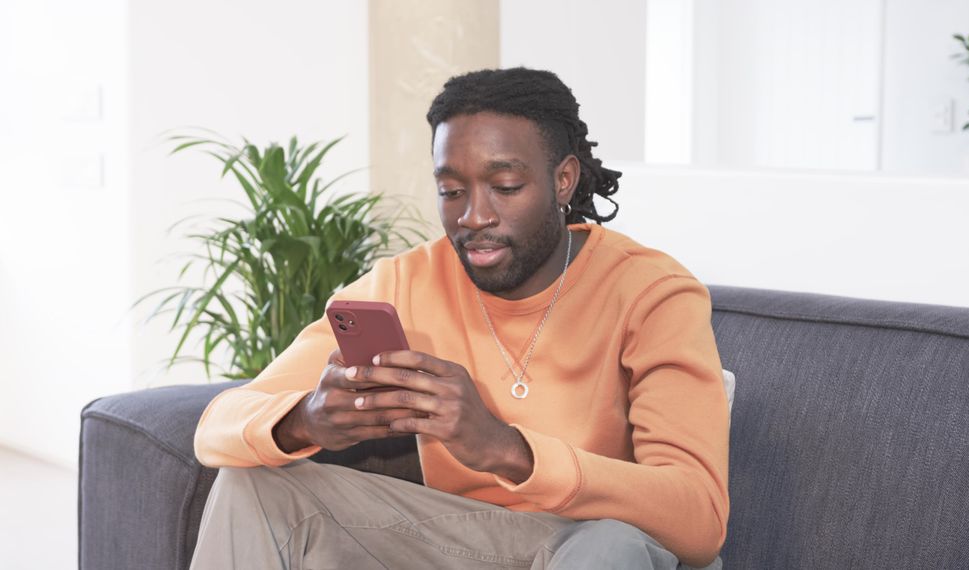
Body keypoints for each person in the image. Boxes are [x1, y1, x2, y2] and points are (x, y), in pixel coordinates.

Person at [189, 67, 729, 570]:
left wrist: (507, 450)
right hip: (462, 542)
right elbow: (218, 425)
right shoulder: (407, 281)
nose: (473, 216)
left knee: (610, 543)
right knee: (253, 485)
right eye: (451, 191)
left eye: (506, 187)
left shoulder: (653, 292)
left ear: (563, 180)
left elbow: (699, 518)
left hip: (594, 545)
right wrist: (305, 420)